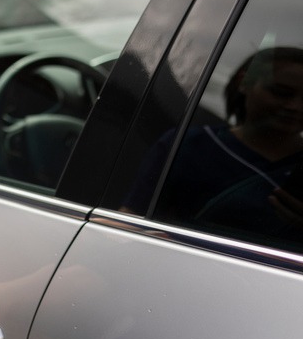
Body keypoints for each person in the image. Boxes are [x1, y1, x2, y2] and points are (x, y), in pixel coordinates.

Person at [127, 46, 303, 244]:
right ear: (244, 82)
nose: (295, 107)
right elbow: (129, 223)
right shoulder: (186, 147)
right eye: (281, 93)